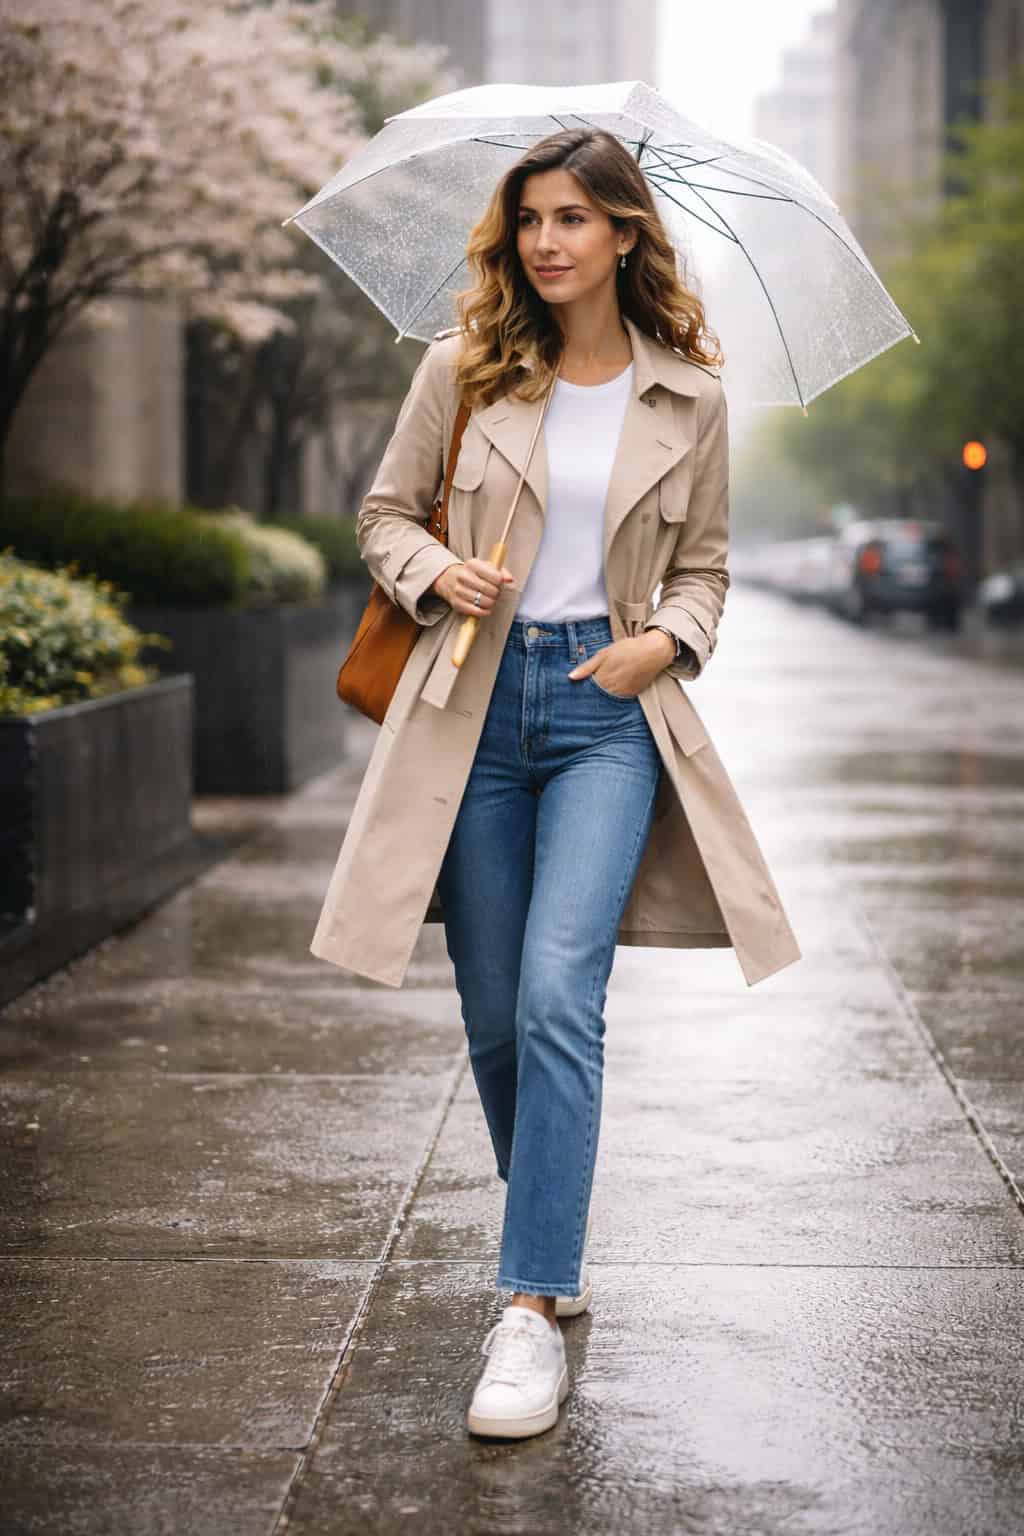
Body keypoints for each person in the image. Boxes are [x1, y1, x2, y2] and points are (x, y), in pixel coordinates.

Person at [309, 125, 801, 1441]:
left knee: (554, 992)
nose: (547, 240)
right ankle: (556, 1232)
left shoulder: (688, 396)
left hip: (604, 710)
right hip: (471, 705)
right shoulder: (462, 370)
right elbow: (381, 515)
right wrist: (433, 571)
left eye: (576, 218)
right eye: (530, 218)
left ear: (625, 234)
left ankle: (529, 1305)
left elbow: (706, 567)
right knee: (487, 1011)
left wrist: (664, 642)